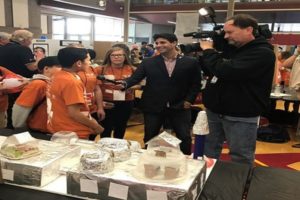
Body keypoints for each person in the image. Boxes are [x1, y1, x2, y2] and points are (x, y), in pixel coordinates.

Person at [200, 14, 276, 165]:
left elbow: (227, 71)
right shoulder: (232, 49)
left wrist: (209, 51)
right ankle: (207, 181)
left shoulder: (262, 52)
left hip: (241, 114)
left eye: (230, 32)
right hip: (215, 110)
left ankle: (241, 187)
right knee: (209, 151)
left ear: (248, 30)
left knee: (241, 156)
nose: (226, 36)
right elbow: (212, 70)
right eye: (224, 33)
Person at [121, 33, 201, 155]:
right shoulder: (148, 62)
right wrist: (124, 84)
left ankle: (186, 162)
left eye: (163, 42)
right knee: (150, 136)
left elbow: (196, 84)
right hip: (153, 106)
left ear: (174, 43)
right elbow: (135, 78)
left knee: (184, 137)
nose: (158, 45)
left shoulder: (190, 62)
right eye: (157, 43)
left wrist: (189, 100)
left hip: (180, 106)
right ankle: (149, 162)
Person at [47, 47, 104, 139]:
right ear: (78, 63)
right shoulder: (71, 81)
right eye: (88, 60)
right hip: (74, 131)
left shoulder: (58, 75)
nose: (90, 63)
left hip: (60, 126)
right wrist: (96, 126)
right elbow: (74, 113)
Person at [96, 47, 139, 139]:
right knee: (106, 128)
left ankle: (118, 147)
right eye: (113, 55)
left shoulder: (133, 69)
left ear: (125, 56)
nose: (116, 57)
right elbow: (95, 88)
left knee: (121, 127)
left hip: (126, 102)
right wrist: (99, 105)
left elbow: (141, 85)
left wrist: (129, 86)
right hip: (107, 102)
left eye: (119, 55)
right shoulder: (100, 69)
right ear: (109, 57)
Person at [12, 56, 61, 132]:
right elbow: (21, 107)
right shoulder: (38, 84)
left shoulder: (51, 83)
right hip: (39, 129)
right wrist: (19, 128)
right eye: (59, 66)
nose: (63, 70)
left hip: (50, 128)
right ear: (46, 69)